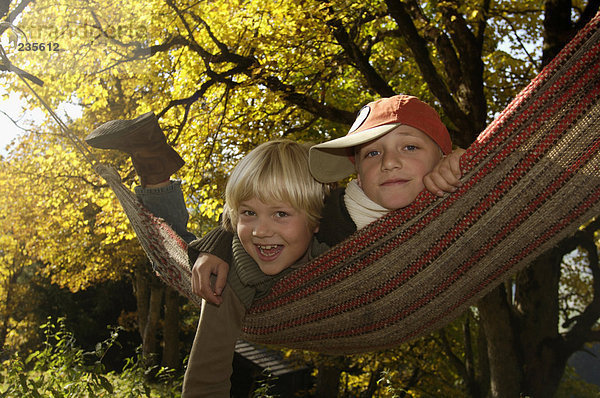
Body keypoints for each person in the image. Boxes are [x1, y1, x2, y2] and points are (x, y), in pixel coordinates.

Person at [85, 117, 331, 397]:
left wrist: (218, 243)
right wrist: (219, 244)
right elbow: (205, 379)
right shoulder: (227, 285)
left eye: (281, 214)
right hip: (211, 267)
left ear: (316, 220)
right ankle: (150, 161)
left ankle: (151, 155)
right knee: (169, 244)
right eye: (249, 213)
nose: (261, 231)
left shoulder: (339, 238)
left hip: (226, 249)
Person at [192, 94, 465, 305]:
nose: (390, 163)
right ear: (356, 171)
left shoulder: (456, 196)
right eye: (372, 153)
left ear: (441, 156)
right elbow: (256, 215)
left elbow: (491, 192)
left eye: (410, 147)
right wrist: (215, 248)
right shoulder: (332, 212)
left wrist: (463, 164)